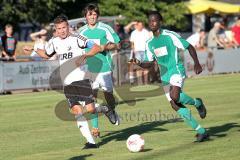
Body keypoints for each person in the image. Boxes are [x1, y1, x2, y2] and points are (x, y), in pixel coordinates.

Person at [23, 14, 112, 149]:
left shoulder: (77, 38)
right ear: (56, 29)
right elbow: (46, 55)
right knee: (77, 111)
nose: (62, 31)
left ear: (68, 27)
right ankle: (91, 142)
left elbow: (95, 47)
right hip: (67, 83)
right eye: (59, 28)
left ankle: (104, 109)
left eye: (64, 27)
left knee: (90, 109)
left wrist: (86, 55)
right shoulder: (54, 41)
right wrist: (34, 49)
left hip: (82, 80)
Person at [135, 11, 209, 142]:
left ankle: (198, 103)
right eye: (150, 21)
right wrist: (139, 63)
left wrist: (197, 63)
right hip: (164, 76)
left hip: (176, 70)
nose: (152, 23)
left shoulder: (170, 35)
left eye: (155, 20)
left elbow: (189, 46)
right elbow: (149, 63)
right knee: (175, 105)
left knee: (175, 96)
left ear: (160, 22)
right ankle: (201, 131)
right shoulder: (149, 43)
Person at [78, 3, 120, 129]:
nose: (92, 17)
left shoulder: (105, 28)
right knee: (91, 99)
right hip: (89, 69)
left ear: (98, 16)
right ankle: (95, 127)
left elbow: (117, 44)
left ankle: (110, 109)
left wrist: (104, 47)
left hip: (104, 68)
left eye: (94, 14)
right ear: (85, 16)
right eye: (89, 15)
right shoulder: (81, 32)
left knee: (109, 95)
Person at [129, 20, 151, 85]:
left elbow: (149, 42)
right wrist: (134, 51)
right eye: (139, 25)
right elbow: (132, 43)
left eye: (141, 25)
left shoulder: (146, 32)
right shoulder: (134, 33)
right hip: (137, 51)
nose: (140, 26)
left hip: (145, 51)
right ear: (136, 26)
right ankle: (140, 82)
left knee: (146, 67)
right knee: (138, 67)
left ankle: (146, 82)